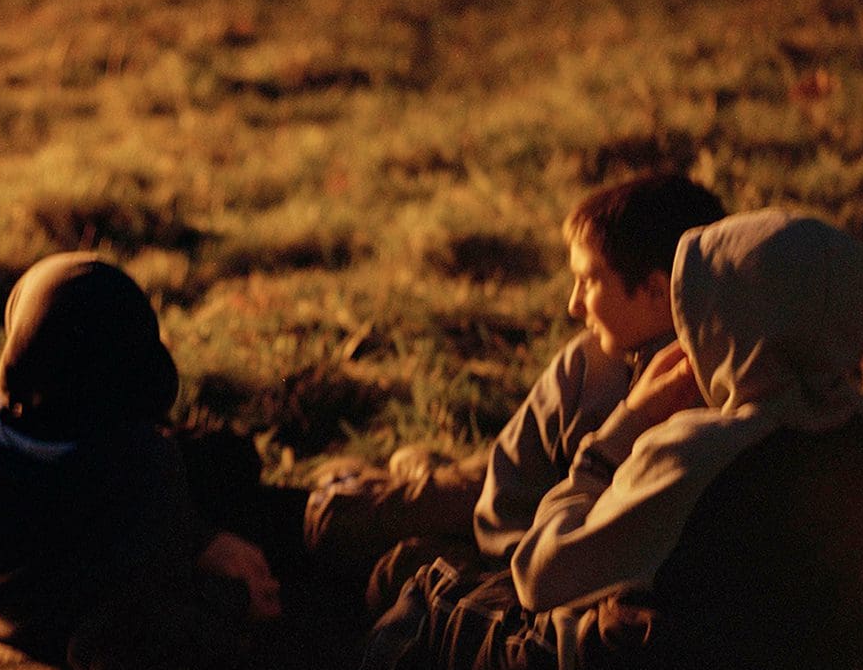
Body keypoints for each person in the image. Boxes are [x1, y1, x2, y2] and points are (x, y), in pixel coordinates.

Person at [172, 210, 863, 670]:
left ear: (732, 322)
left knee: (423, 585)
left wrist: (622, 433)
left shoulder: (707, 450)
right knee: (465, 617)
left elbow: (538, 573)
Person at [304, 171, 726, 601]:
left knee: (399, 568)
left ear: (656, 290)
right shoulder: (588, 363)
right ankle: (387, 478)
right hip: (512, 507)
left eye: (589, 280)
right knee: (341, 520)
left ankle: (411, 470)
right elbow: (504, 493)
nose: (574, 305)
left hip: (544, 544)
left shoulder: (719, 389)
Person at [0, 252, 286, 670]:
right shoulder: (138, 469)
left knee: (217, 461)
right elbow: (147, 570)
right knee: (231, 490)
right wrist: (231, 585)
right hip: (76, 618)